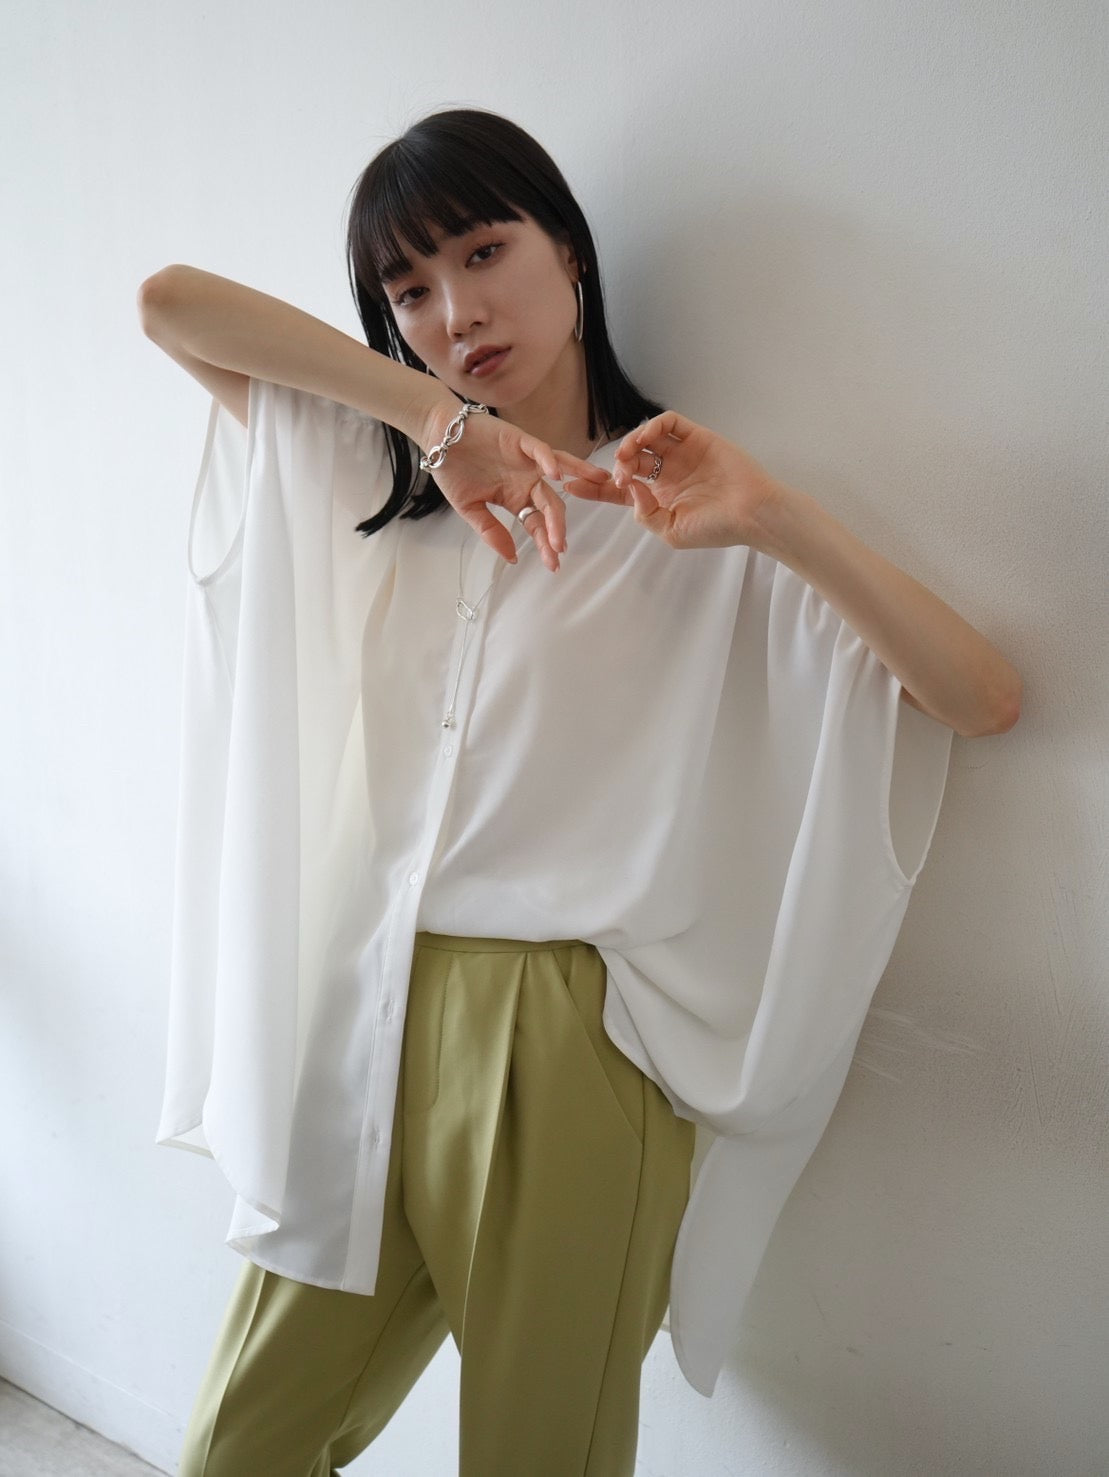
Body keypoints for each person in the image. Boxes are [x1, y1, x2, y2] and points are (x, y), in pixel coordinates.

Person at [139, 107, 1020, 1477]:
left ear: (572, 252)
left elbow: (978, 695)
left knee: (538, 1454)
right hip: (363, 1007)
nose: (456, 312)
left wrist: (772, 517)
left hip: (565, 1040)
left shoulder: (691, 527)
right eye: (409, 289)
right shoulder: (367, 472)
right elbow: (170, 304)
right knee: (234, 1449)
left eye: (486, 253)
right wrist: (438, 425)